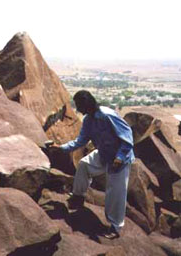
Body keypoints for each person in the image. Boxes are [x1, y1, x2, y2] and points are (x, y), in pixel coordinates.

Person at [50, 90, 134, 239]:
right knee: (84, 165)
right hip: (104, 153)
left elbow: (127, 136)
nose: (78, 109)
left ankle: (115, 228)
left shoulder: (107, 115)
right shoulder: (88, 120)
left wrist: (120, 157)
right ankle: (78, 196)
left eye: (79, 105)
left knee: (115, 193)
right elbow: (81, 141)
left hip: (119, 158)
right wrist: (61, 148)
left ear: (86, 104)